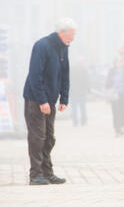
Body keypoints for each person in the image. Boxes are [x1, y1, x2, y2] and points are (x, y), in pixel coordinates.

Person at [23, 17, 77, 185]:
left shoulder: (63, 48)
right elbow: (35, 75)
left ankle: (47, 172)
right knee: (37, 137)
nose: (73, 38)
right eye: (72, 34)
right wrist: (42, 100)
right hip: (36, 100)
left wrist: (64, 98)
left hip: (50, 101)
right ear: (62, 32)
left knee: (49, 138)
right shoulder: (42, 46)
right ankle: (36, 174)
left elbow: (65, 74)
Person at [70, 57, 90, 127]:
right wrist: (88, 89)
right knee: (82, 107)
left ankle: (75, 122)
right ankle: (83, 122)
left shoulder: (72, 69)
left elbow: (68, 79)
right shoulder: (84, 69)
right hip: (82, 92)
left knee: (74, 108)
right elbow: (87, 80)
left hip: (73, 92)